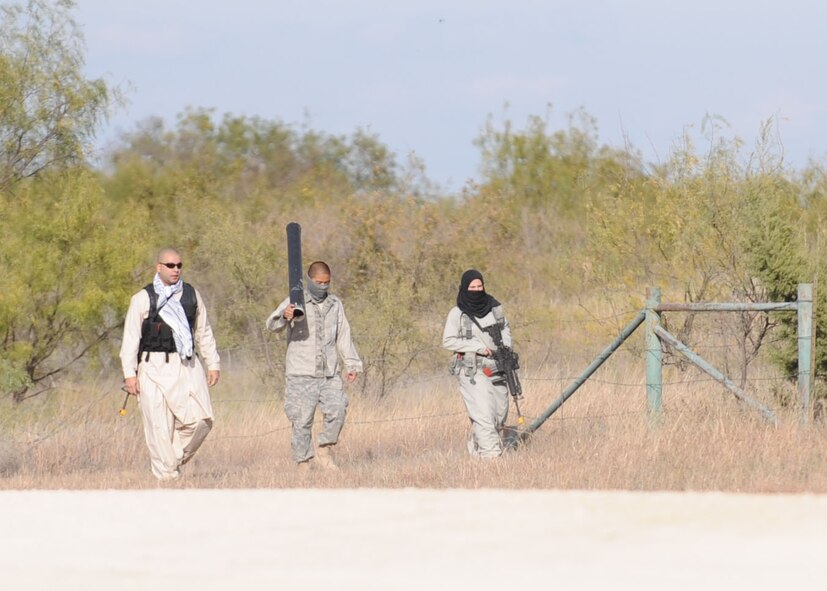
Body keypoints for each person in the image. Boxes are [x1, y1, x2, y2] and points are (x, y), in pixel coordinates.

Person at [119, 248, 221, 481]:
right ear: (159, 267)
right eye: (170, 265)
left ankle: (170, 460)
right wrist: (129, 374)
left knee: (202, 420)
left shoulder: (191, 295)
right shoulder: (143, 298)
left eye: (178, 265)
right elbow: (131, 339)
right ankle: (167, 479)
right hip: (152, 366)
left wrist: (212, 362)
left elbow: (203, 331)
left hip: (186, 364)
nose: (175, 269)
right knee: (158, 427)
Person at [265, 260, 362, 470]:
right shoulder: (295, 300)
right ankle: (303, 464)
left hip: (329, 373)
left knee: (338, 409)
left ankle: (324, 450)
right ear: (310, 280)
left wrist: (352, 364)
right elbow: (271, 325)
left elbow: (343, 334)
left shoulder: (335, 304)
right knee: (301, 422)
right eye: (319, 282)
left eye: (327, 282)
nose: (323, 286)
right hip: (301, 373)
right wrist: (285, 316)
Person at [442, 269, 512, 458]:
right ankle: (491, 458)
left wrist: (505, 348)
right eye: (472, 287)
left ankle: (477, 447)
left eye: (479, 286)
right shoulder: (457, 313)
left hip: (497, 368)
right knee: (483, 416)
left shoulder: (495, 308)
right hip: (472, 371)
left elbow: (505, 329)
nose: (476, 290)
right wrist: (477, 347)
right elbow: (448, 341)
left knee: (499, 416)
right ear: (465, 288)